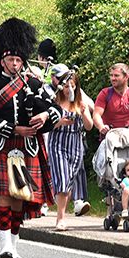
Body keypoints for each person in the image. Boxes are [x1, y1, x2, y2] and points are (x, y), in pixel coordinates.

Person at [0, 18, 62, 258]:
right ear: (2, 61)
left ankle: (13, 246)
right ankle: (4, 246)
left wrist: (45, 115)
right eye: (9, 60)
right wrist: (16, 129)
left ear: (22, 61)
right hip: (3, 146)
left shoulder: (34, 85)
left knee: (19, 198)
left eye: (17, 60)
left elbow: (56, 110)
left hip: (27, 148)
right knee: (5, 195)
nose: (14, 64)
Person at [46, 64, 93, 229]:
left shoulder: (80, 103)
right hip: (58, 142)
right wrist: (60, 122)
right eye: (66, 86)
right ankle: (60, 218)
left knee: (70, 180)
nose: (69, 89)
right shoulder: (54, 102)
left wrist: (84, 111)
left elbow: (89, 126)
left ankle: (60, 205)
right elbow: (47, 125)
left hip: (75, 143)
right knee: (63, 178)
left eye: (72, 86)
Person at [93, 63, 129, 136]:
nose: (113, 78)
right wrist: (101, 127)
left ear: (126, 76)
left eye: (116, 75)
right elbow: (96, 114)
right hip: (109, 135)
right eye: (111, 75)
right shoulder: (105, 94)